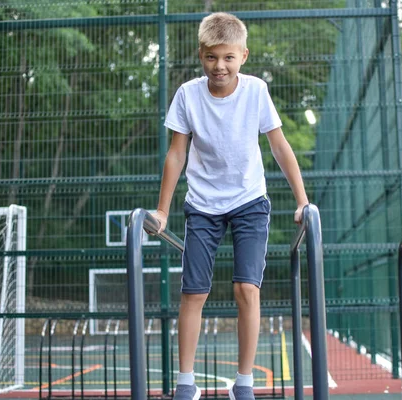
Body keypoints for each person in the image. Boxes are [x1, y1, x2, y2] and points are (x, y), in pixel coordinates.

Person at [151, 12, 309, 400]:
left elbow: (279, 146)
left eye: (228, 58)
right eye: (211, 58)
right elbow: (176, 154)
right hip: (202, 203)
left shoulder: (255, 91)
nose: (219, 66)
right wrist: (162, 210)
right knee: (194, 292)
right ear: (200, 55)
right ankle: (186, 382)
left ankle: (244, 382)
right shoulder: (188, 95)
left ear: (243, 56)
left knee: (245, 289)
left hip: (249, 200)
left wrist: (303, 202)